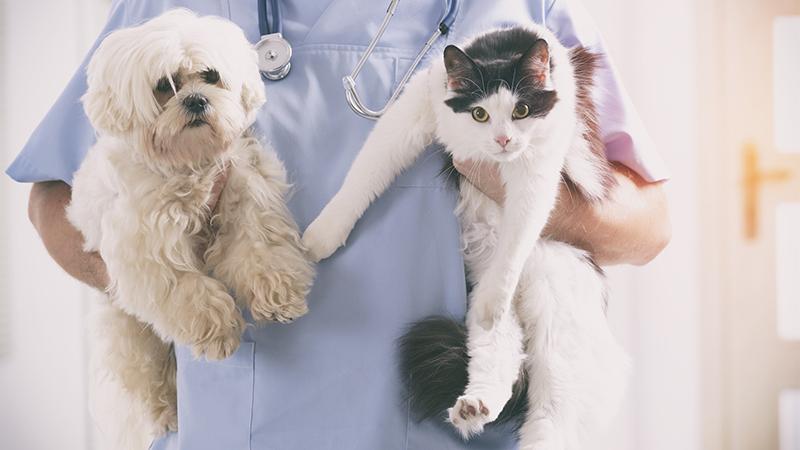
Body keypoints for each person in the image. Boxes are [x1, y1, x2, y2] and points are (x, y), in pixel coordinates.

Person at [9, 0, 670, 448]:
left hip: (453, 420)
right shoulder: (168, 10)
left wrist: (518, 185)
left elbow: (649, 224)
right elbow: (53, 201)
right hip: (241, 426)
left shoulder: (514, 7)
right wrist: (155, 281)